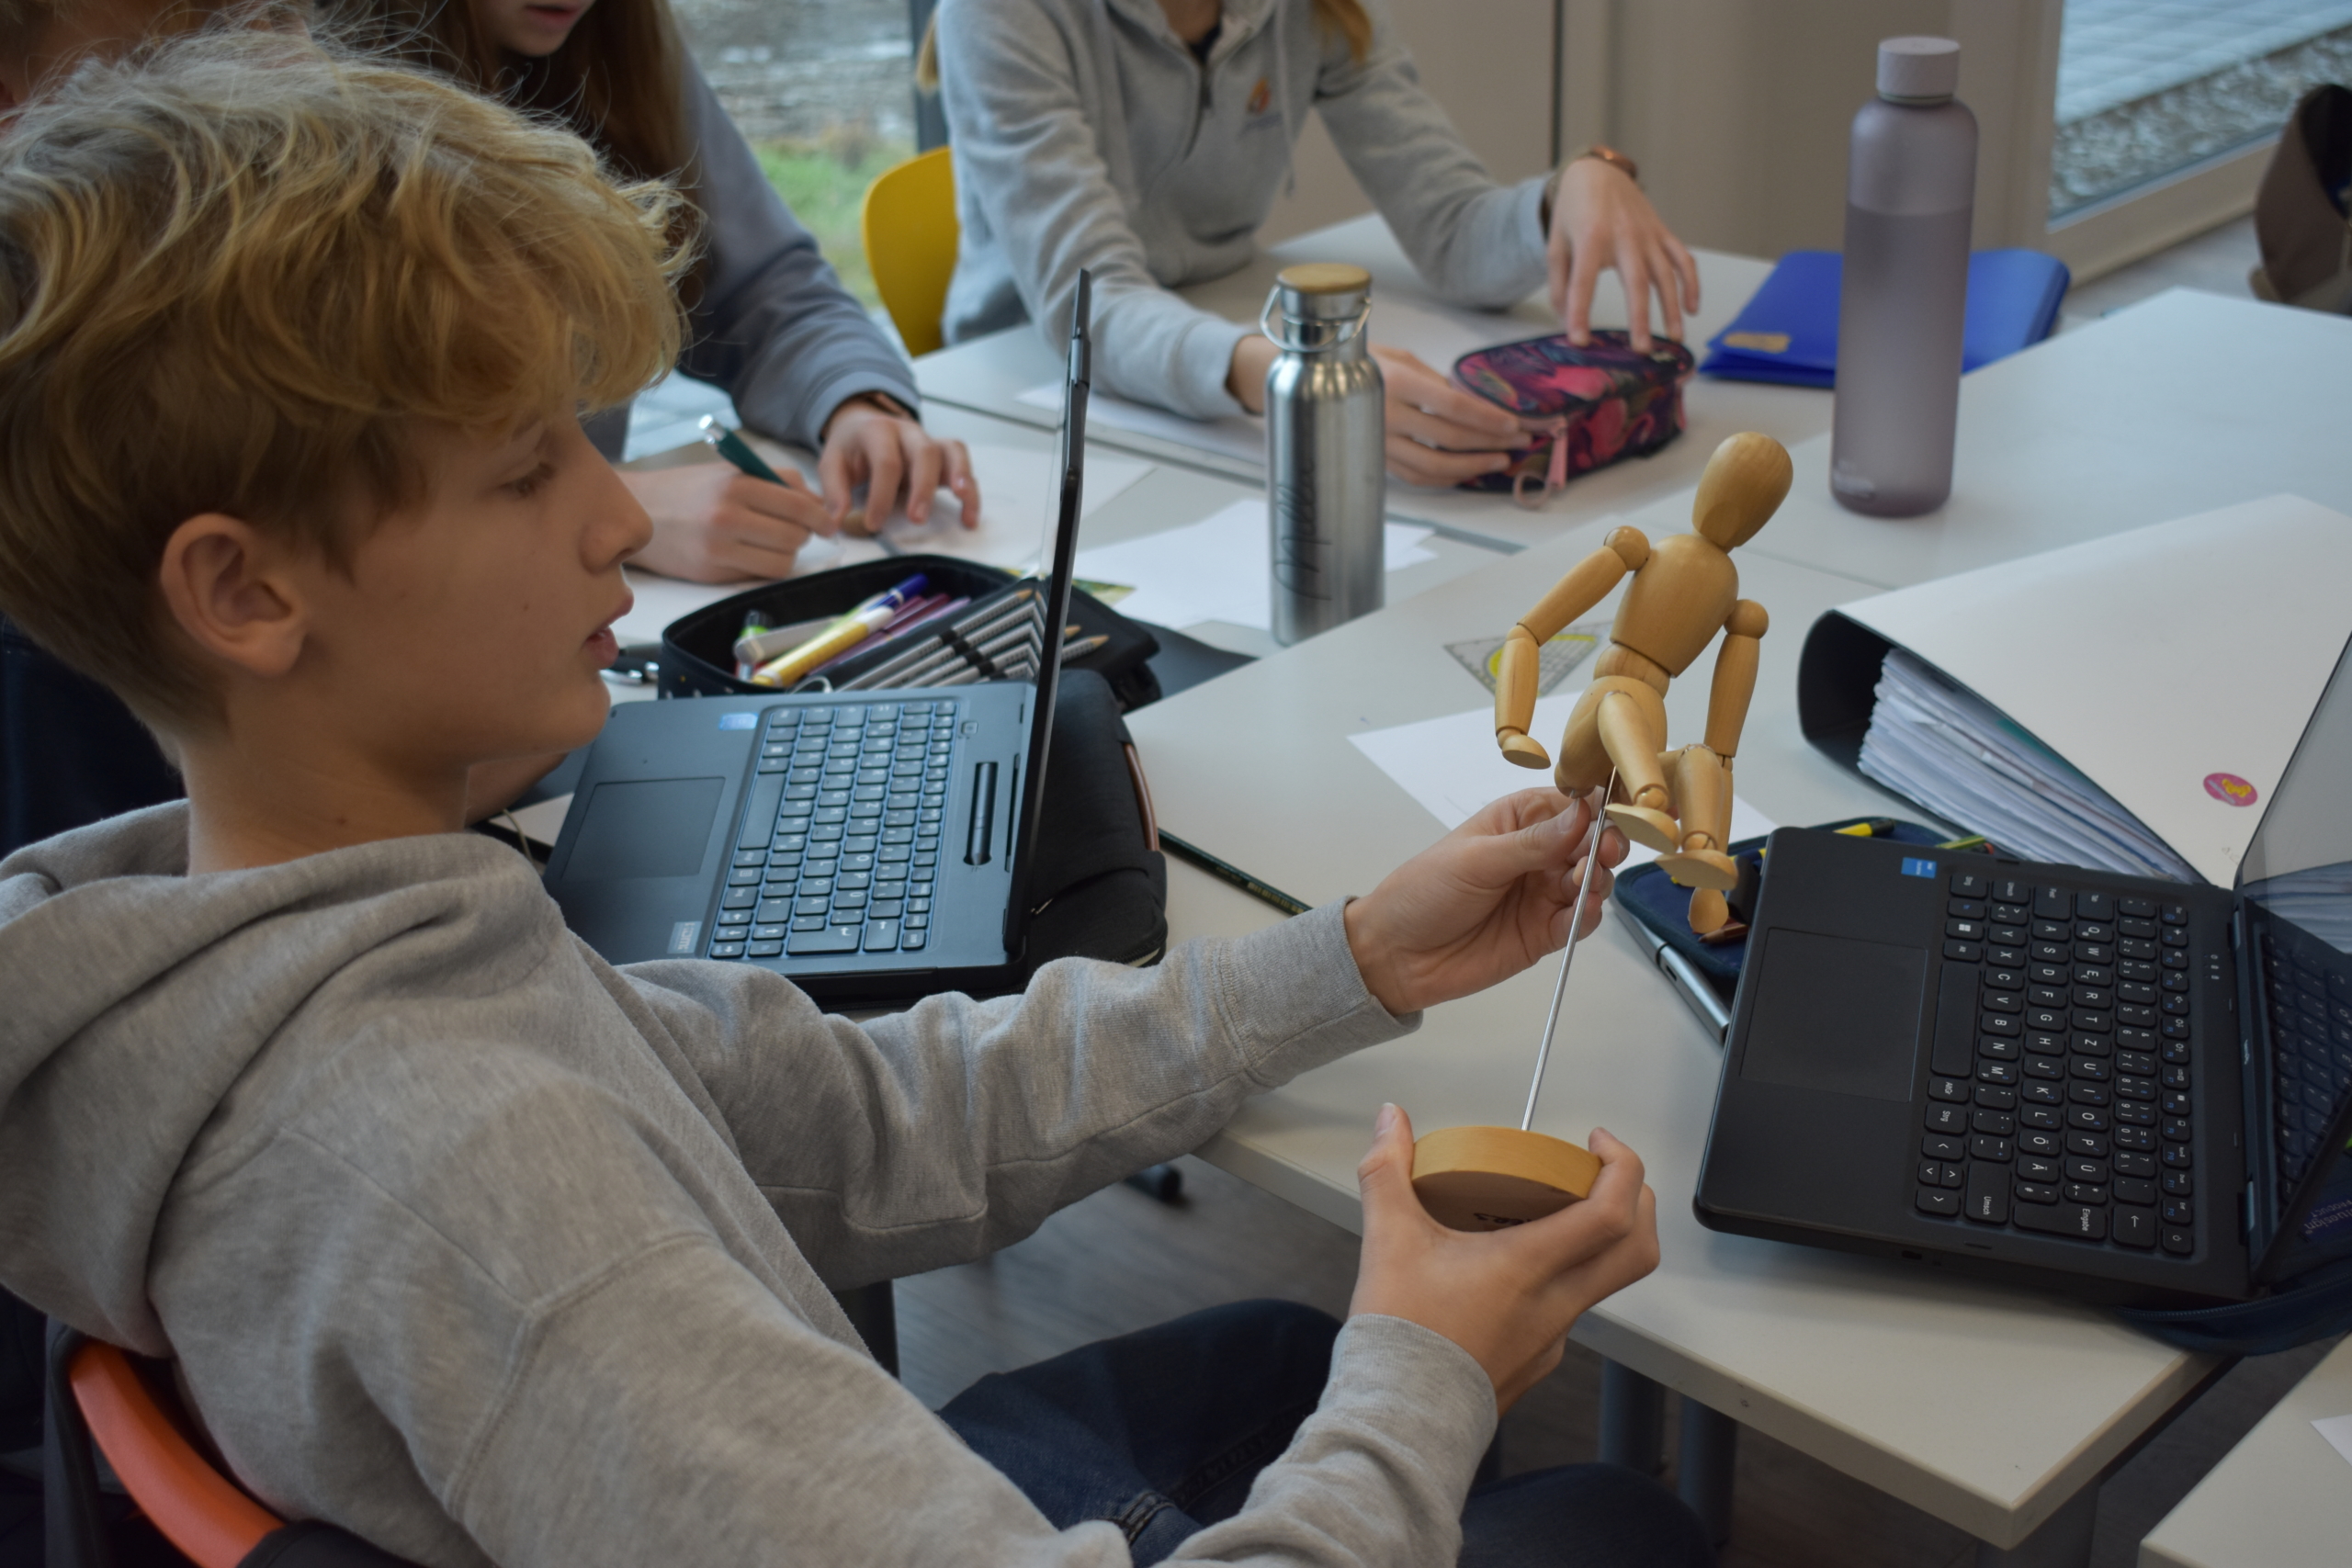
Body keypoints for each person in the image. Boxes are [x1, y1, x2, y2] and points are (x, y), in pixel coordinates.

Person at [0, 31, 1713, 1568]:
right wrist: (1423, 1372)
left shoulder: (308, 934)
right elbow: (579, 1229)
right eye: (527, 468)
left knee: (1284, 1352)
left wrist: (1350, 957)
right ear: (244, 591)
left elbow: (860, 1119)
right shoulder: (482, 1184)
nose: (621, 514)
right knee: (1614, 1516)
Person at [928, 0, 1702, 491]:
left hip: (1218, 364)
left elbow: (1452, 230)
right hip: (1025, 397)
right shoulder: (999, 14)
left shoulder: (1316, 12)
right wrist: (1296, 380)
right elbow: (1093, 308)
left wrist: (1567, 191)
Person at [334, 0, 978, 583]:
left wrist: (852, 401)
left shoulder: (626, 41)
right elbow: (333, 494)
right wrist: (614, 500)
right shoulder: (317, 106)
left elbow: (763, 295)